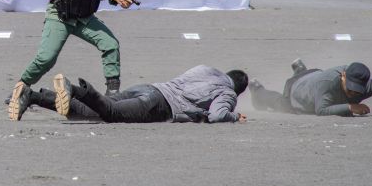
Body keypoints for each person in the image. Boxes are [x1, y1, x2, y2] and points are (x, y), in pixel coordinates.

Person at [8, 0, 134, 121]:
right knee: (45, 59)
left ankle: (113, 95)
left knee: (110, 44)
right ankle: (20, 88)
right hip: (60, 16)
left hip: (84, 18)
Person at [14, 66, 248, 124]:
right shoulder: (228, 93)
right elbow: (217, 115)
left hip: (148, 88)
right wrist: (234, 116)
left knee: (89, 112)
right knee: (111, 113)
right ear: (237, 89)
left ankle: (31, 96)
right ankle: (76, 89)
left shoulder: (206, 68)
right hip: (158, 105)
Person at [250, 60, 372, 117]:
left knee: (311, 80)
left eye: (357, 90)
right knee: (278, 103)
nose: (353, 93)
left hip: (313, 77)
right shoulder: (329, 82)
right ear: (343, 76)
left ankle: (300, 69)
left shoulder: (366, 83)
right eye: (350, 88)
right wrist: (350, 107)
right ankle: (257, 90)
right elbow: (321, 110)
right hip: (295, 92)